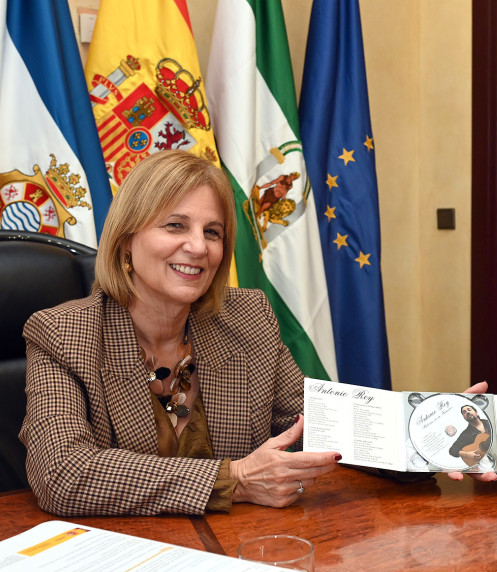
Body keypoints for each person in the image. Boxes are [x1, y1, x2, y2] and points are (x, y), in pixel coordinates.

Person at [19, 150, 341, 517]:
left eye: (212, 232)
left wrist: (409, 432)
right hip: (127, 554)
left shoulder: (249, 316)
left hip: (242, 545)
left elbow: (313, 428)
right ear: (127, 239)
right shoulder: (63, 334)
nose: (198, 247)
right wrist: (234, 478)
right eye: (175, 226)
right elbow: (63, 475)